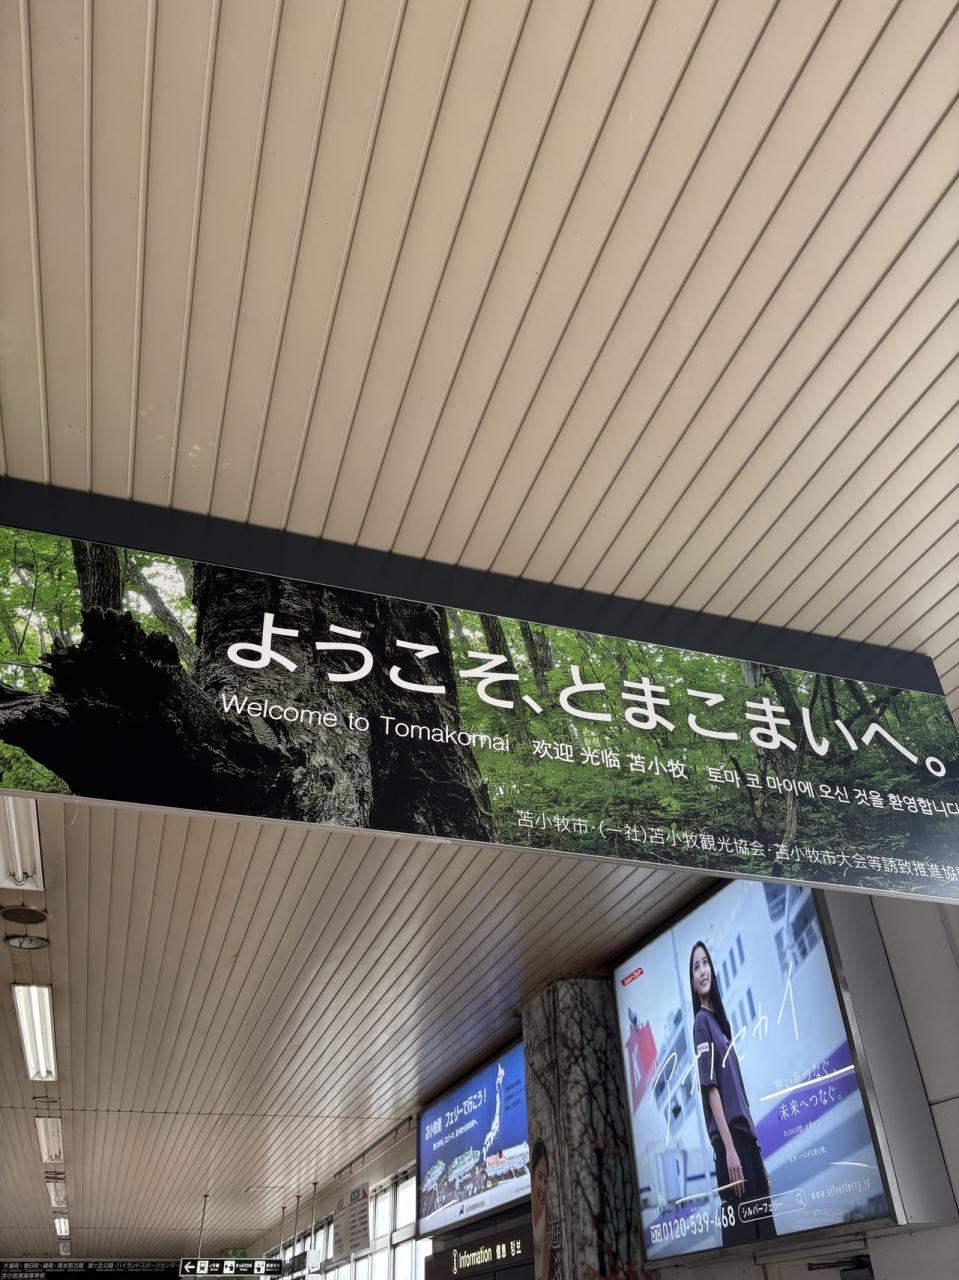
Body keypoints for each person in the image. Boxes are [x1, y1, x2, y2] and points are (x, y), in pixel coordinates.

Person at [689, 940, 777, 1247]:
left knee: (766, 1236)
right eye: (696, 967)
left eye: (705, 963)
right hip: (732, 1145)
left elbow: (740, 1097)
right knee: (746, 1241)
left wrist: (758, 1156)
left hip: (746, 1143)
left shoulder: (721, 1025)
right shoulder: (701, 1023)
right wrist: (730, 1150)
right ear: (692, 980)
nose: (702, 971)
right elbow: (710, 1088)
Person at [530, 1138, 561, 1280]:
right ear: (532, 1176)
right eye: (539, 1177)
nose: (543, 1187)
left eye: (546, 1180)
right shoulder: (530, 1220)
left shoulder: (552, 1222)